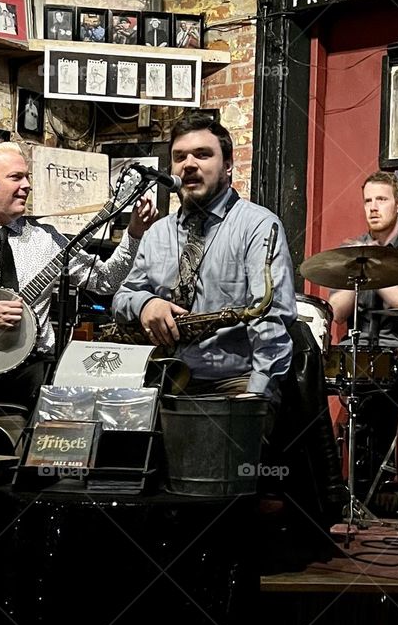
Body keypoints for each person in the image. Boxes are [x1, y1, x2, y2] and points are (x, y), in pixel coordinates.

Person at [0, 142, 158, 450]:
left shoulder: (46, 239)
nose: (27, 186)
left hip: (34, 367)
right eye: (16, 177)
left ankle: (34, 483)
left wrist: (134, 234)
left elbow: (103, 281)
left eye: (27, 177)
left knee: (65, 384)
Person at [113, 110, 296, 405]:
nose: (189, 165)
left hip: (230, 386)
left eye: (202, 154)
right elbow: (122, 299)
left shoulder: (258, 225)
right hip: (160, 381)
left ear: (227, 166)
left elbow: (271, 322)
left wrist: (255, 399)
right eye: (180, 156)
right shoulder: (157, 232)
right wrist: (146, 304)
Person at [329, 171, 398, 350]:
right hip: (354, 347)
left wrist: (373, 269)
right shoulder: (351, 250)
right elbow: (337, 314)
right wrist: (357, 269)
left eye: (381, 199)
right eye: (368, 201)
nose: (373, 207)